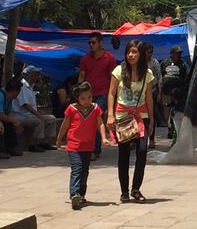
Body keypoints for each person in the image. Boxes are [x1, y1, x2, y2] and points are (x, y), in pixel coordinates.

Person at [107, 39, 154, 204]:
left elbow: (149, 97)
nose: (131, 55)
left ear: (141, 54)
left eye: (134, 52)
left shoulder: (147, 74)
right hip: (122, 117)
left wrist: (152, 119)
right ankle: (124, 191)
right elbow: (111, 93)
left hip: (142, 117)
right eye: (129, 51)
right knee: (124, 155)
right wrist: (110, 115)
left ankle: (136, 189)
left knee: (142, 152)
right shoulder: (119, 71)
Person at [56, 81, 110, 210]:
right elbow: (65, 125)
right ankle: (74, 194)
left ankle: (81, 194)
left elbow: (100, 124)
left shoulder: (96, 108)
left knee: (85, 171)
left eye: (89, 97)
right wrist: (59, 139)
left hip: (88, 146)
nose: (87, 101)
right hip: (74, 145)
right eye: (83, 98)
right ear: (77, 98)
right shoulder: (71, 109)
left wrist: (103, 138)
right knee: (77, 169)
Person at [79, 32, 117, 159]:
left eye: (93, 42)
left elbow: (113, 77)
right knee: (87, 120)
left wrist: (113, 93)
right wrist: (78, 92)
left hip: (103, 94)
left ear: (101, 43)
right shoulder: (85, 59)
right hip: (87, 95)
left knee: (95, 118)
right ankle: (90, 147)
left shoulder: (109, 58)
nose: (91, 45)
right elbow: (82, 76)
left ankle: (93, 150)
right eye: (89, 43)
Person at [13, 66, 57, 152]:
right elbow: (25, 105)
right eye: (36, 74)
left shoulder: (31, 86)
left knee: (52, 119)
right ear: (30, 75)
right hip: (22, 116)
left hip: (30, 115)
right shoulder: (22, 86)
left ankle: (44, 142)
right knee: (39, 121)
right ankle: (33, 144)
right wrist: (39, 115)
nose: (38, 76)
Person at [160, 46, 189, 139]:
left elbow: (187, 77)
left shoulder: (183, 64)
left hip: (178, 93)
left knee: (176, 113)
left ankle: (175, 131)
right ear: (172, 54)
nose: (179, 55)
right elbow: (160, 76)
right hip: (166, 93)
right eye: (177, 53)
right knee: (167, 114)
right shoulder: (165, 63)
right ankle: (169, 128)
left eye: (180, 53)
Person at [141, 42, 161, 148]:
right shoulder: (140, 63)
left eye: (151, 52)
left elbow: (159, 78)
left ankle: (152, 139)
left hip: (152, 92)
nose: (150, 54)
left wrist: (159, 93)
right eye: (148, 52)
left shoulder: (155, 62)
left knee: (151, 116)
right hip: (140, 93)